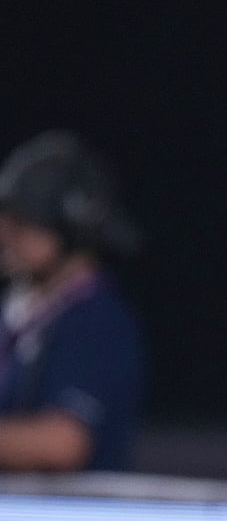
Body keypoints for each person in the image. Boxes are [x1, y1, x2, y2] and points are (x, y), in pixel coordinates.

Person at [0, 130, 145, 472]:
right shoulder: (20, 310)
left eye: (21, 223)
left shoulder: (97, 320)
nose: (4, 235)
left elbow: (63, 443)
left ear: (71, 225)